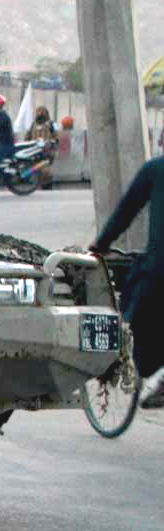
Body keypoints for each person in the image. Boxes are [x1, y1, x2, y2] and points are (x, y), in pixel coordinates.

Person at [90, 157, 164, 409]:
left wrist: (100, 244)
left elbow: (127, 211)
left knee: (135, 316)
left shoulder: (156, 169)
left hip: (159, 271)